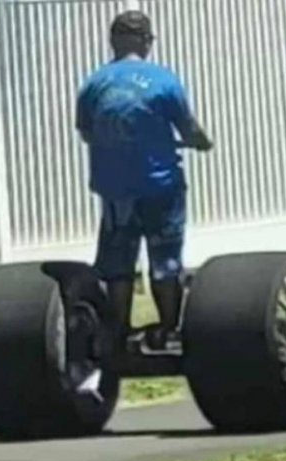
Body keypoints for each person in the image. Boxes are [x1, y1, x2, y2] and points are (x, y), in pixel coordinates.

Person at [75, 10, 213, 347]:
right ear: (146, 41)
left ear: (114, 41)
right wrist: (202, 142)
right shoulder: (164, 81)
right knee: (165, 258)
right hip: (160, 186)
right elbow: (188, 128)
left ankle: (118, 331)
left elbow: (87, 132)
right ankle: (169, 329)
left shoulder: (94, 83)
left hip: (115, 191)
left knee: (117, 262)